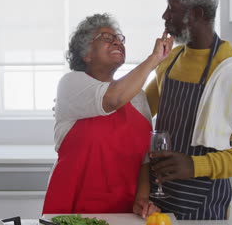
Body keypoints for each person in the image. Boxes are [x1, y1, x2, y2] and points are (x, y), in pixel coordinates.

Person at [133, 0, 232, 220]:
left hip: (204, 206)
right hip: (157, 202)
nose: (165, 16)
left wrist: (195, 165)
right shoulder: (171, 60)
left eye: (172, 8)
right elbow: (138, 113)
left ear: (196, 14)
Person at [42, 13, 173, 214]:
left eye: (119, 39)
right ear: (86, 54)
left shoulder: (136, 95)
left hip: (122, 213)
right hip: (72, 210)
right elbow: (112, 99)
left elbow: (144, 160)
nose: (117, 42)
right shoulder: (71, 84)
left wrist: (142, 198)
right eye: (106, 37)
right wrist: (154, 58)